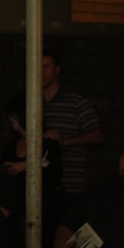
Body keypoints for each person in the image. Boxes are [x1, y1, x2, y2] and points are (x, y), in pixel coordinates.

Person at [0, 95, 64, 248]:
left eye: (16, 120)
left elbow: (53, 174)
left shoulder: (47, 143)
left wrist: (25, 166)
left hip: (41, 206)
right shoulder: (12, 144)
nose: (15, 125)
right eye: (11, 121)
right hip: (15, 207)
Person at [41, 48, 102, 198]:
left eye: (46, 66)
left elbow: (96, 136)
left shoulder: (76, 102)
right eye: (37, 67)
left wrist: (65, 141)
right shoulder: (30, 103)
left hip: (70, 183)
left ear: (57, 69)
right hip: (40, 184)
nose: (41, 72)